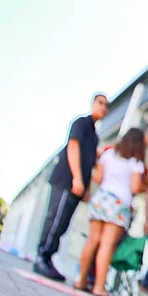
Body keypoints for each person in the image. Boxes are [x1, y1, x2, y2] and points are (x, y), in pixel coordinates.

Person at [34, 93, 109, 281]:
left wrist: (86, 188)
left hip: (78, 186)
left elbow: (89, 164)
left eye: (106, 105)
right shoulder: (81, 123)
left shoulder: (94, 136)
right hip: (66, 181)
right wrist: (76, 178)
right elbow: (73, 146)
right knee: (55, 219)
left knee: (63, 223)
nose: (103, 108)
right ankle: (42, 255)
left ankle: (48, 257)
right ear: (93, 103)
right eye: (100, 103)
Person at [75, 128, 146, 296]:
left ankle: (81, 281)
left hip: (101, 198)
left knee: (92, 240)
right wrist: (144, 186)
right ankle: (99, 287)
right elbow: (135, 187)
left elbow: (98, 178)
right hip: (119, 203)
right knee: (107, 245)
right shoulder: (135, 163)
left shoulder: (109, 154)